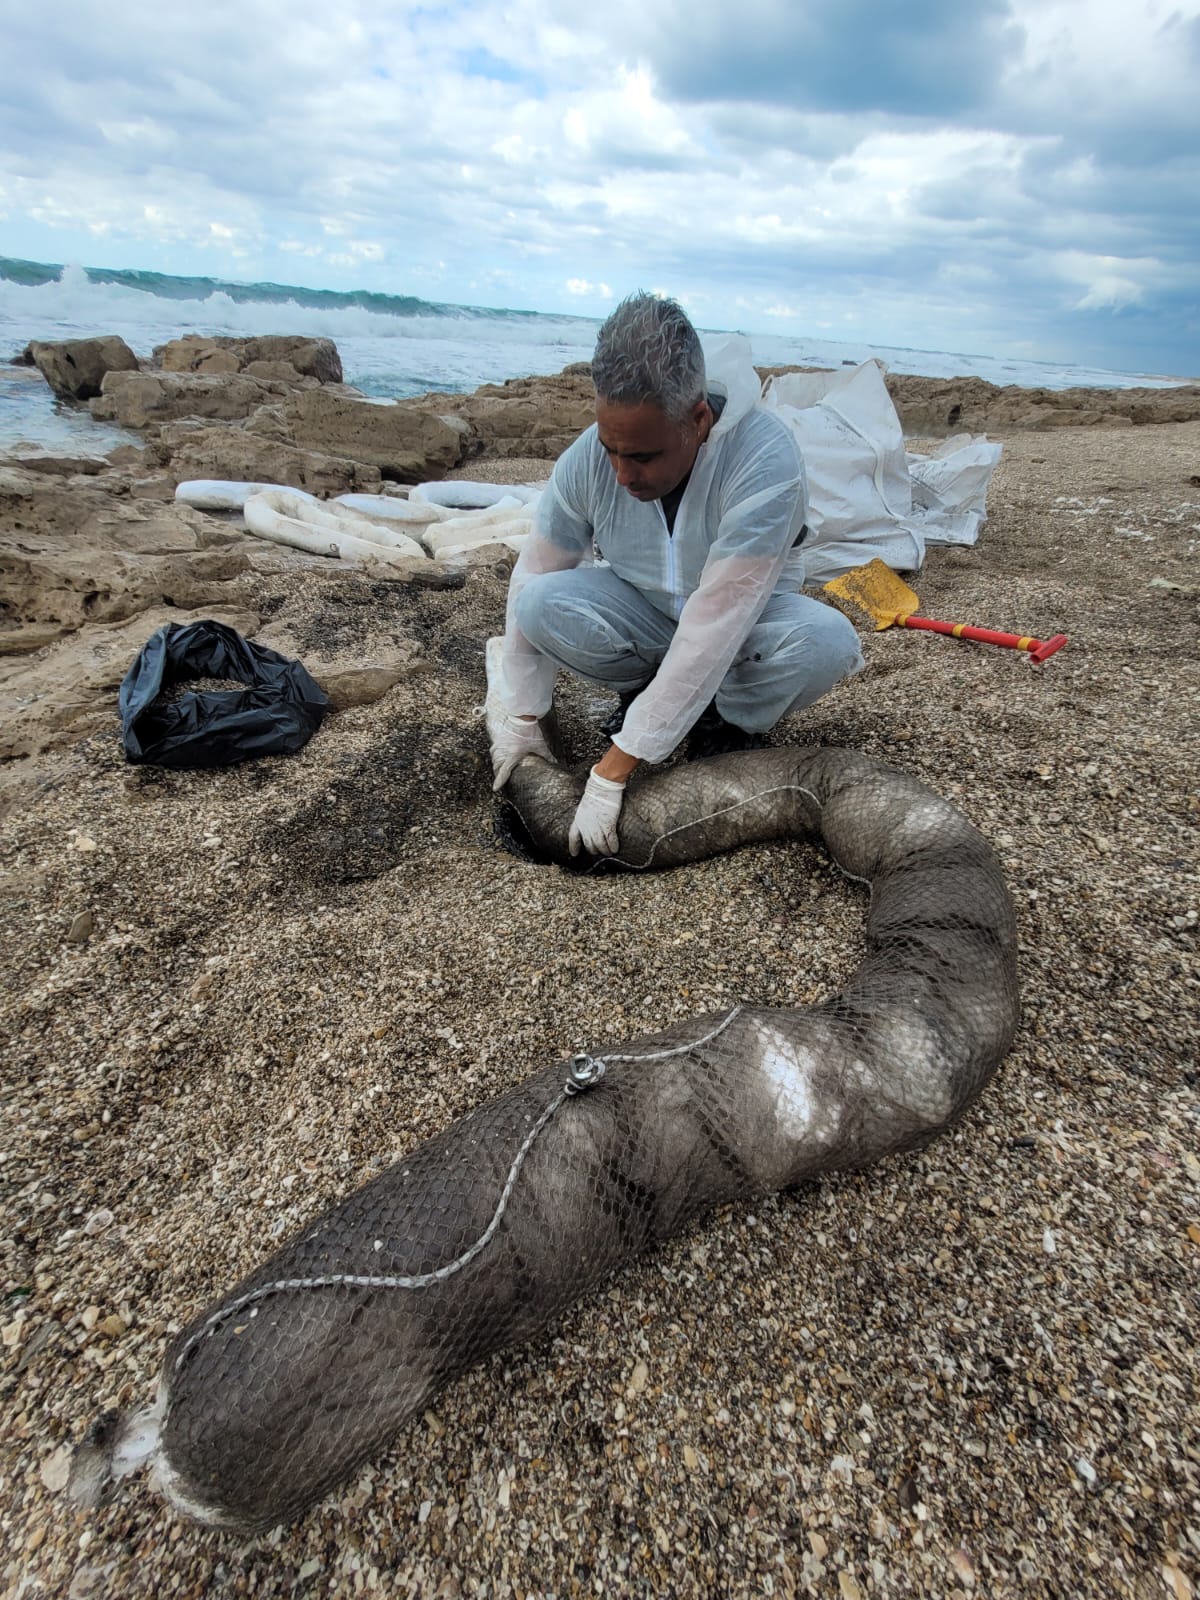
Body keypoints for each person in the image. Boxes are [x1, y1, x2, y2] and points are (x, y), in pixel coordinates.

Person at [490, 292, 863, 857]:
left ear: (699, 418)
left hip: (745, 626)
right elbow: (534, 571)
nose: (621, 473)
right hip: (645, 613)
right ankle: (644, 692)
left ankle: (727, 721)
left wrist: (615, 768)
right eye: (611, 449)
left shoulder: (764, 459)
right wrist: (521, 714)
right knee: (540, 603)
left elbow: (719, 617)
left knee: (825, 641)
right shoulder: (588, 458)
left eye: (642, 456)